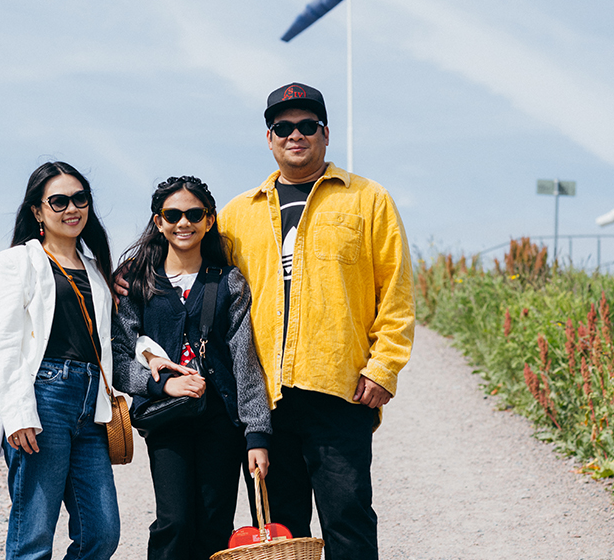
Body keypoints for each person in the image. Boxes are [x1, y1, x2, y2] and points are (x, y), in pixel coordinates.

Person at [218, 83, 415, 560]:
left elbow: (397, 293)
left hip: (339, 391)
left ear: (325, 134)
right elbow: (193, 270)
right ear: (269, 138)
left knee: (348, 522)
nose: (295, 135)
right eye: (283, 128)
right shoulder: (237, 215)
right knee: (281, 535)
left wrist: (383, 368)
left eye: (307, 126)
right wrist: (129, 275)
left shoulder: (368, 200)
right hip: (265, 401)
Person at [111, 175, 272, 560]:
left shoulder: (229, 281)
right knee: (175, 522)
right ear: (158, 221)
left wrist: (258, 434)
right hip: (167, 420)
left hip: (221, 422)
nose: (184, 222)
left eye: (194, 214)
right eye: (173, 214)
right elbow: (118, 357)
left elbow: (245, 362)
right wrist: (162, 385)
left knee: (215, 524)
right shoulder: (138, 284)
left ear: (210, 220)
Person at [0, 161, 120, 560]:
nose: (71, 208)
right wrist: (18, 413)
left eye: (80, 199)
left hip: (90, 404)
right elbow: (4, 342)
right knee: (34, 534)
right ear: (37, 211)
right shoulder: (16, 262)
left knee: (102, 533)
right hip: (43, 397)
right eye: (58, 201)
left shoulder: (98, 271)